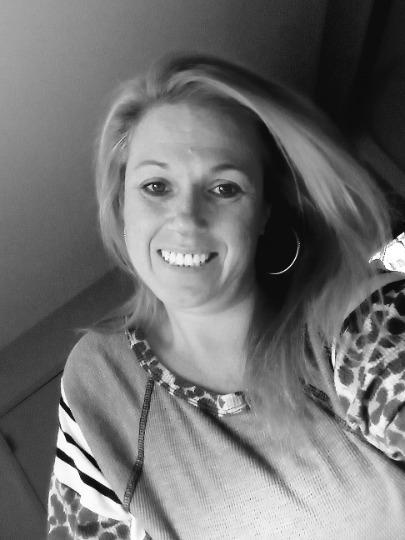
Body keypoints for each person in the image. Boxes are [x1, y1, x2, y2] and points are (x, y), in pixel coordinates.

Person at [47, 54, 405, 540]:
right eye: (156, 186)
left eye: (223, 188)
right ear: (122, 206)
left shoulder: (361, 320)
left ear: (264, 213)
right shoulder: (100, 381)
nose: (186, 219)